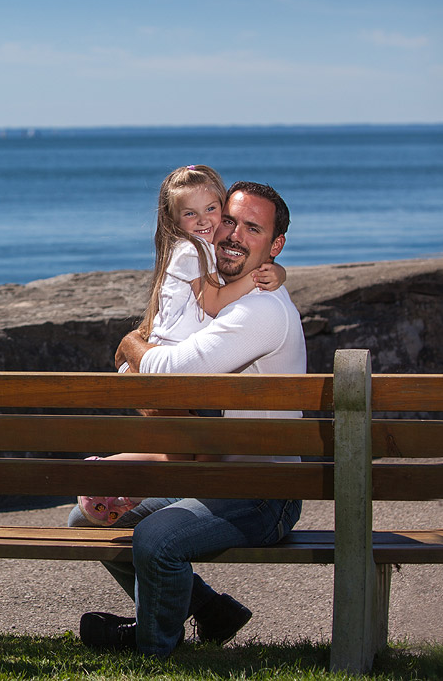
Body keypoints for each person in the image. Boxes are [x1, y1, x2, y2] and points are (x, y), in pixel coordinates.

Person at [76, 181, 306, 658]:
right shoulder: (226, 296)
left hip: (263, 492)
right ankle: (209, 610)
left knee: (154, 539)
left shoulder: (261, 311)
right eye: (229, 220)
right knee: (88, 519)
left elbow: (168, 372)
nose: (233, 234)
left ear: (274, 245)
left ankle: (153, 647)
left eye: (253, 228)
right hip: (210, 472)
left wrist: (130, 345)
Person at [77, 165, 285, 526]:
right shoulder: (193, 252)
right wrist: (261, 274)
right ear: (175, 220)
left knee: (185, 455)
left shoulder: (210, 262)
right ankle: (110, 479)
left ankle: (114, 482)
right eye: (191, 213)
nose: (209, 222)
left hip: (156, 368)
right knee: (192, 453)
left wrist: (276, 272)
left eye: (212, 210)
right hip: (158, 366)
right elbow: (214, 302)